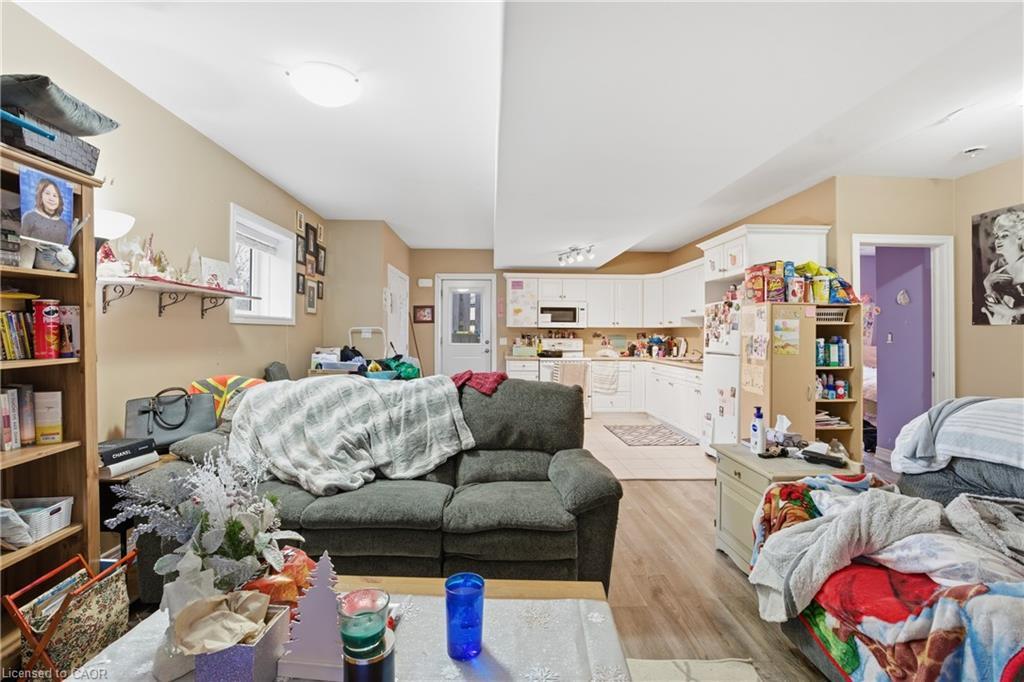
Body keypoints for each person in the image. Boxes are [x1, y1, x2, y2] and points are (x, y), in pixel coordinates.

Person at [982, 209, 1024, 324]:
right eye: (996, 236)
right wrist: (987, 285)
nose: (997, 240)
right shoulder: (996, 265)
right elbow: (996, 305)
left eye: (1004, 235)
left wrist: (1013, 312)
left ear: (1020, 237)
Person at [21, 178, 71, 245]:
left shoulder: (64, 224)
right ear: (40, 195)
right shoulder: (29, 217)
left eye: (55, 195)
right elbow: (23, 244)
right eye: (47, 193)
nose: (51, 198)